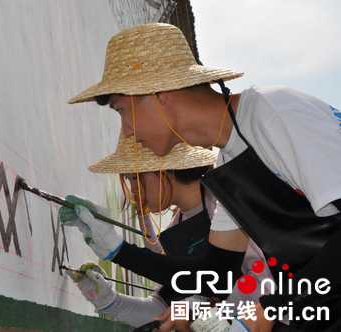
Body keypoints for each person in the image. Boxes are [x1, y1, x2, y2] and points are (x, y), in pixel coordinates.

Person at [65, 23, 341, 332]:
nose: (127, 131)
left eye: (120, 111)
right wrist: (117, 250)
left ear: (158, 93)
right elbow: (219, 273)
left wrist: (269, 309)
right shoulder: (229, 162)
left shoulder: (273, 112)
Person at [63, 133, 289, 331]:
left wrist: (194, 306)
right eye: (127, 179)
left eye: (136, 177)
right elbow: (162, 308)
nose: (133, 190)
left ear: (167, 167)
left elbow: (261, 286)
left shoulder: (224, 207)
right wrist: (110, 302)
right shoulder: (175, 226)